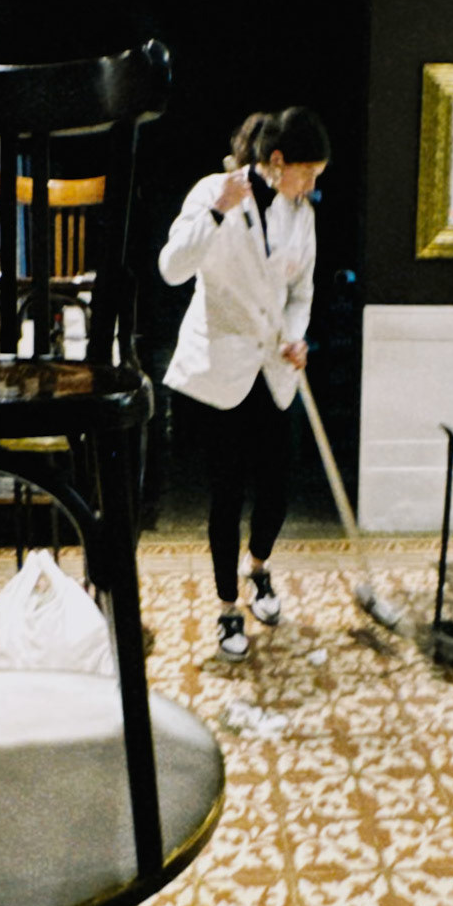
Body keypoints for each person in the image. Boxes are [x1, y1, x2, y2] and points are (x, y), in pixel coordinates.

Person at [158, 106, 331, 659]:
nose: (312, 185)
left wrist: (298, 336)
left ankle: (258, 568)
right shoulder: (213, 191)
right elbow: (171, 268)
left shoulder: (301, 213)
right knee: (227, 494)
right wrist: (216, 212)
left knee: (278, 487)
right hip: (224, 364)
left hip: (274, 366)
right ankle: (228, 607)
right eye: (307, 173)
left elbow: (301, 291)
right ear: (278, 161)